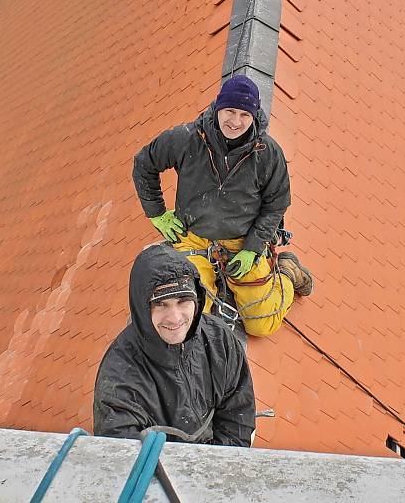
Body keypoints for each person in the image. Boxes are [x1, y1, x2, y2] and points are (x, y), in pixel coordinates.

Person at [132, 75, 313, 337]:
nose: (235, 122)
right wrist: (157, 213)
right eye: (229, 111)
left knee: (261, 324)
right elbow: (144, 164)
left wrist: (252, 248)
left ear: (254, 116)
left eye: (244, 115)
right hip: (193, 237)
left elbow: (276, 204)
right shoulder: (186, 139)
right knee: (191, 315)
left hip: (241, 241)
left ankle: (287, 271)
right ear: (218, 108)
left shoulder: (267, 154)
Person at [93, 244, 255, 445]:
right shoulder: (120, 374)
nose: (174, 318)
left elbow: (238, 416)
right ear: (142, 308)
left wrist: (219, 463)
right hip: (158, 468)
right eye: (160, 304)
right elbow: (124, 454)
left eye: (183, 301)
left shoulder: (219, 339)